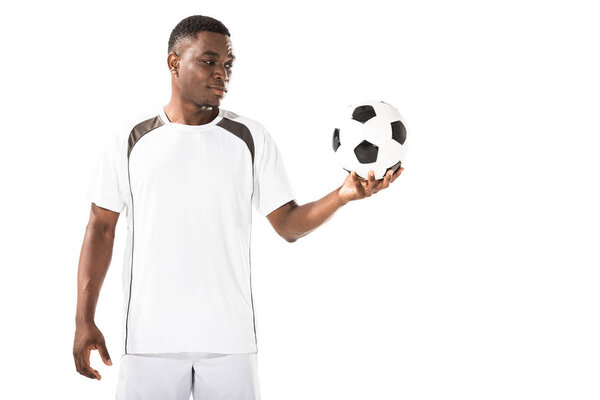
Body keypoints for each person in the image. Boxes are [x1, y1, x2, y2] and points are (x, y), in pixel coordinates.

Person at [73, 14, 404, 400]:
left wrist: (343, 194)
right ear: (174, 61)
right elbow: (101, 228)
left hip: (230, 342)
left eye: (228, 64)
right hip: (149, 342)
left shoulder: (250, 137)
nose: (222, 74)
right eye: (209, 61)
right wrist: (84, 319)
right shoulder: (130, 139)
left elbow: (288, 225)